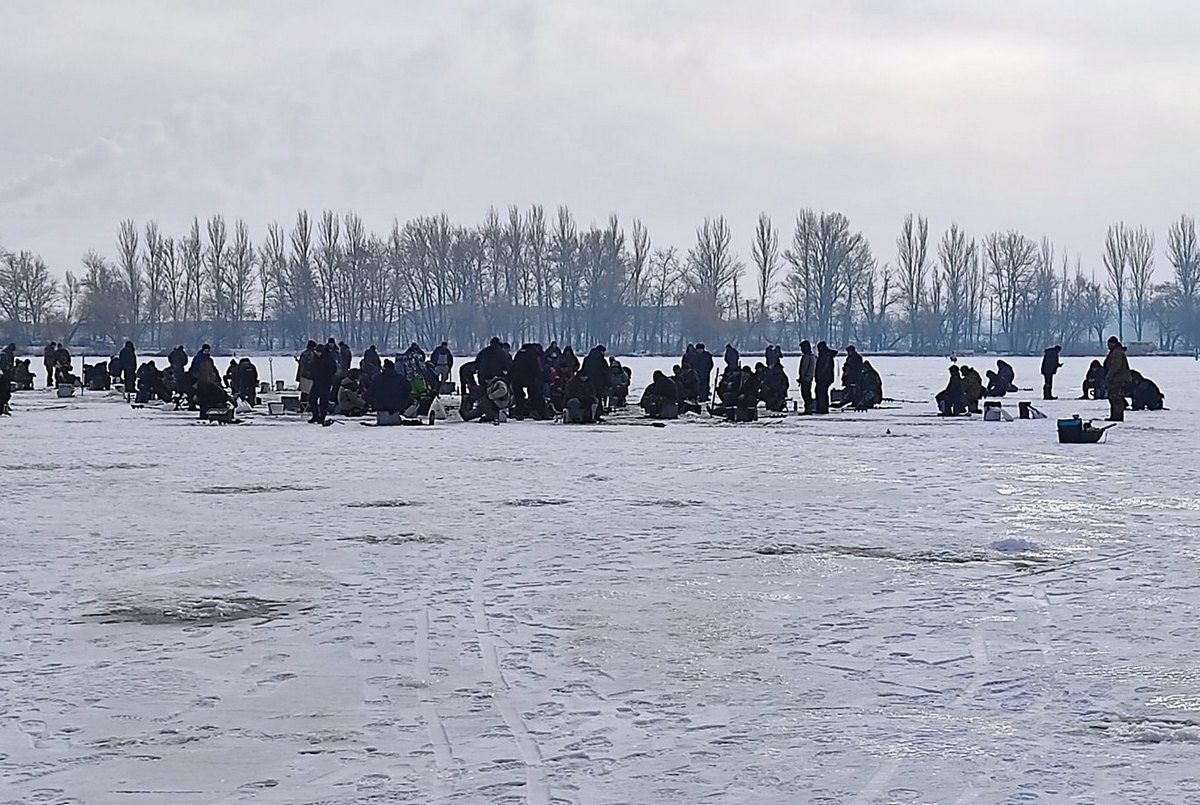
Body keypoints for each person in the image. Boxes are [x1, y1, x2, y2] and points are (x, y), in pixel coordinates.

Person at [1103, 335, 1132, 422]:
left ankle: (1117, 416)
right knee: (1113, 397)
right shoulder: (1116, 351)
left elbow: (1116, 366)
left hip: (1118, 379)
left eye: (1109, 344)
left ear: (1113, 343)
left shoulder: (1117, 352)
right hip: (1116, 378)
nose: (1108, 346)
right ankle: (1114, 416)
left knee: (1116, 398)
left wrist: (1109, 376)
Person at [308, 343, 338, 424]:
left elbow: (333, 369)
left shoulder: (329, 358)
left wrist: (326, 375)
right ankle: (315, 416)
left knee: (323, 401)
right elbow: (312, 367)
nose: (317, 353)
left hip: (325, 382)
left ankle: (322, 417)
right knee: (311, 399)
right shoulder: (315, 358)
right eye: (316, 352)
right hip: (316, 382)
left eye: (318, 352)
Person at [815, 341, 836, 414]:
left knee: (821, 392)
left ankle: (822, 408)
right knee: (822, 391)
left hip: (824, 377)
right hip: (827, 377)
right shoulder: (827, 354)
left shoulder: (825, 355)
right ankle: (822, 407)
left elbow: (823, 367)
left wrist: (819, 376)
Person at [796, 340, 816, 414]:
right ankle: (808, 408)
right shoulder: (812, 356)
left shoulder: (807, 357)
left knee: (805, 393)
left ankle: (808, 409)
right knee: (807, 393)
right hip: (808, 377)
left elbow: (804, 368)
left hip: (806, 378)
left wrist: (802, 377)